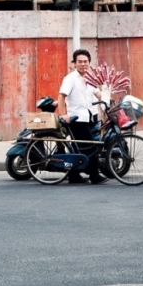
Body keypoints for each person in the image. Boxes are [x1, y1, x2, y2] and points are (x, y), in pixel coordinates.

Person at [57, 49, 108, 185]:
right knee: (91, 147)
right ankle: (94, 175)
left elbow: (98, 94)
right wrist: (63, 114)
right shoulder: (70, 79)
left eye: (85, 62)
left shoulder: (91, 78)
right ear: (74, 63)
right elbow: (61, 96)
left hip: (91, 118)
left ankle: (74, 175)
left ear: (89, 63)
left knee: (82, 148)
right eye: (80, 62)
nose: (83, 64)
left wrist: (108, 99)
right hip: (77, 119)